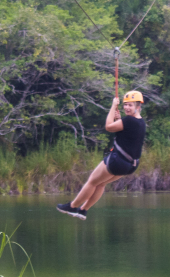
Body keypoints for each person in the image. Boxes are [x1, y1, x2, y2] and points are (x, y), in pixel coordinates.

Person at [56, 91, 146, 220]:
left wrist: (113, 106)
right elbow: (126, 132)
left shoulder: (129, 120)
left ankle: (72, 206)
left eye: (130, 105)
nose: (126, 107)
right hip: (130, 165)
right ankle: (83, 210)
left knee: (92, 181)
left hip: (118, 161)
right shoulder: (140, 122)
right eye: (125, 105)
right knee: (100, 184)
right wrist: (119, 119)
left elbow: (109, 127)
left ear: (138, 106)